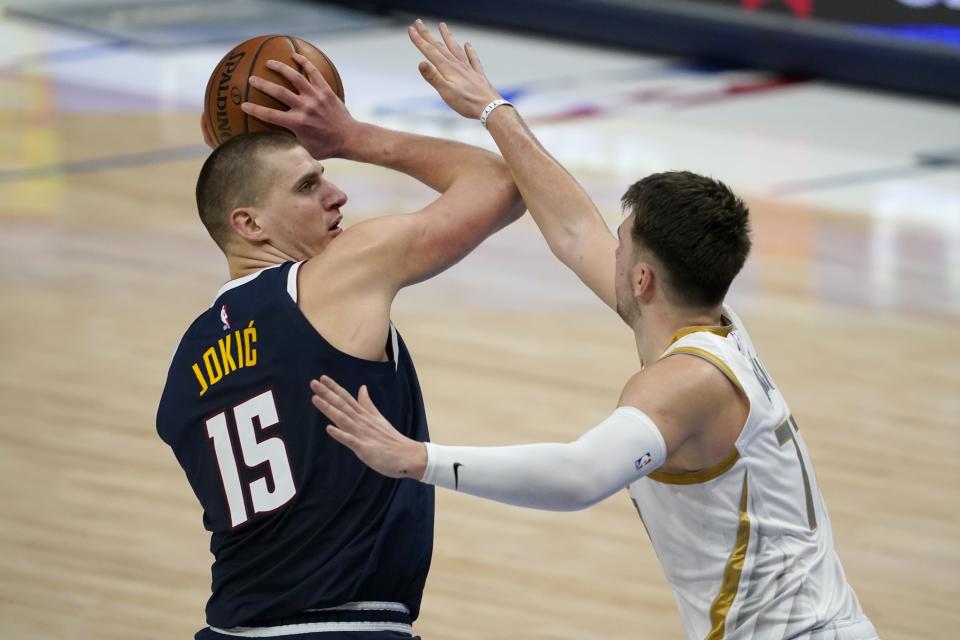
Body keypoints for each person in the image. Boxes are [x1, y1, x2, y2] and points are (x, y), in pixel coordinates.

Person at [310, 20, 878, 640]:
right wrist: (487, 109)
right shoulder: (717, 324)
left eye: (622, 247)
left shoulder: (681, 385)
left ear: (641, 280)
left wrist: (418, 459)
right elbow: (574, 229)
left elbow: (580, 475)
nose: (607, 250)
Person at [156, 48, 524, 640]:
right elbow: (504, 182)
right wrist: (351, 137)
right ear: (249, 224)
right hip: (341, 625)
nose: (338, 195)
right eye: (308, 184)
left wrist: (241, 156)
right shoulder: (332, 278)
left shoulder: (188, 361)